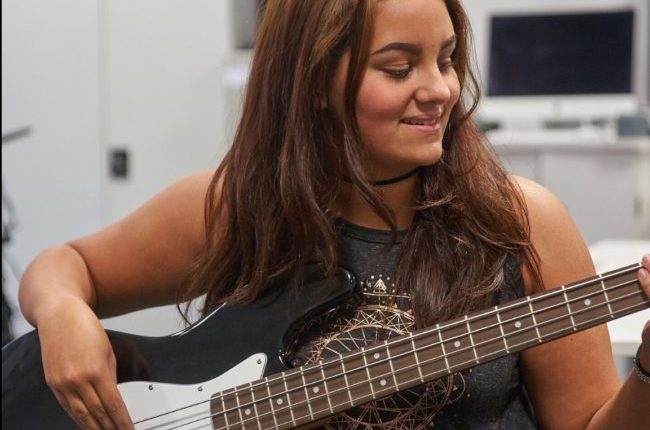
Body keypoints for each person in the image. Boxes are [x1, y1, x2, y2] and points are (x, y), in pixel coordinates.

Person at [16, 0, 650, 429]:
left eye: (447, 58)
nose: (440, 89)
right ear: (316, 81)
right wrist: (65, 314)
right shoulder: (236, 207)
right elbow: (63, 266)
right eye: (398, 67)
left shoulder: (522, 223)